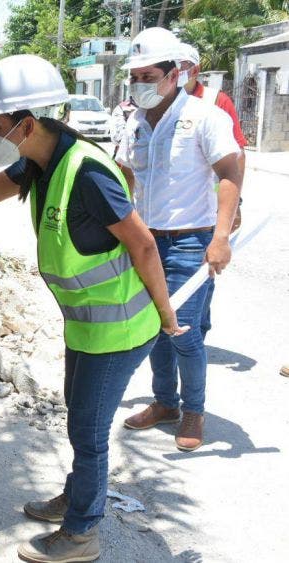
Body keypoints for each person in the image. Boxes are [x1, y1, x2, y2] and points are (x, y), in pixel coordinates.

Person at [0, 54, 185, 563]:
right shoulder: (41, 161)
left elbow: (144, 247)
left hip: (120, 327)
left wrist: (167, 316)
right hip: (88, 323)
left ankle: (82, 534)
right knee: (80, 417)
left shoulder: (87, 172)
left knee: (88, 433)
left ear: (26, 124)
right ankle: (77, 497)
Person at [116, 28, 243, 452]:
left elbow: (230, 172)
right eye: (135, 76)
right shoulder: (134, 121)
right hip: (146, 241)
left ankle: (193, 410)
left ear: (176, 74)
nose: (139, 84)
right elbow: (126, 175)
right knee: (155, 327)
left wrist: (220, 237)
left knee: (184, 331)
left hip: (191, 241)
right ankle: (165, 403)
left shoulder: (205, 117)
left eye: (148, 76)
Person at [177, 42, 246, 338]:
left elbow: (237, 156)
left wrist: (234, 205)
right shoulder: (160, 101)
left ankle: (197, 329)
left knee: (204, 267)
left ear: (195, 70)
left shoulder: (217, 101)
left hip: (207, 204)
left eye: (179, 68)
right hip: (173, 206)